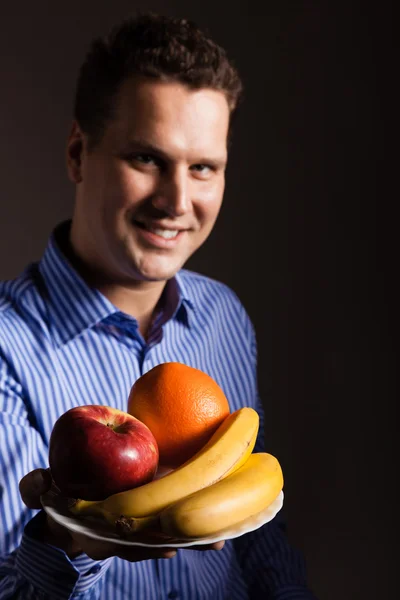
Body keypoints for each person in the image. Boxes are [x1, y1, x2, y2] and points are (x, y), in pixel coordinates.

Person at [0, 13, 318, 600]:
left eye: (203, 168)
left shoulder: (224, 316)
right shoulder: (6, 349)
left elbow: (258, 536)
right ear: (78, 152)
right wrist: (67, 543)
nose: (177, 201)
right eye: (147, 159)